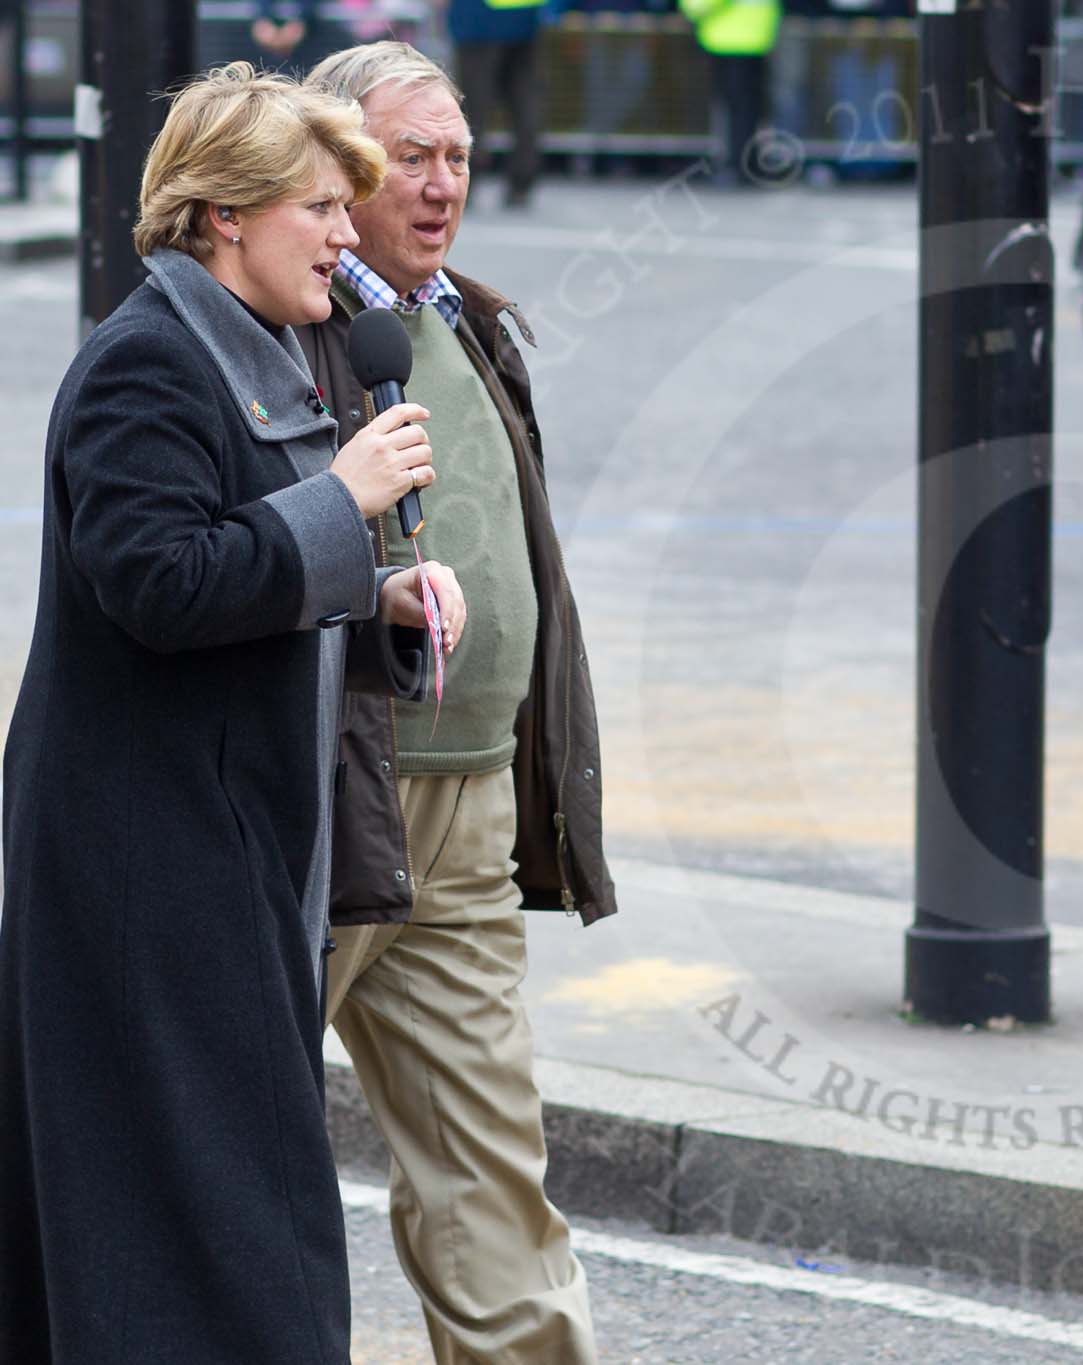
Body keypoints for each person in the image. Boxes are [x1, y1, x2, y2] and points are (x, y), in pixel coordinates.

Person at [0, 63, 466, 1362]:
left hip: (222, 856)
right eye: (317, 205)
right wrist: (347, 502)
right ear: (223, 217)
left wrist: (382, 618)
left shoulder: (248, 351)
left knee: (215, 1214)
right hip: (143, 871)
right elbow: (159, 584)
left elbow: (238, 588)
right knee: (201, 1229)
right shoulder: (143, 364)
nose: (341, 234)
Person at [301, 40, 615, 1365]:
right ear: (330, 170)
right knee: (196, 1154)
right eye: (406, 159)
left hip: (466, 806)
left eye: (457, 161)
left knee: (492, 1175)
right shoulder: (275, 320)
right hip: (315, 802)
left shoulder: (461, 319)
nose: (439, 188)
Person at [446, 0, 554, 208]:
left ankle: (464, 179)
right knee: (527, 107)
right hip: (525, 20)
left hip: (476, 21)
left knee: (472, 111)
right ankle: (521, 182)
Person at [680, 0, 781, 185]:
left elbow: (698, 5)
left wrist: (693, 7)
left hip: (730, 37)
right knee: (747, 107)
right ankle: (746, 162)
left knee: (736, 106)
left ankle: (738, 164)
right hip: (750, 35)